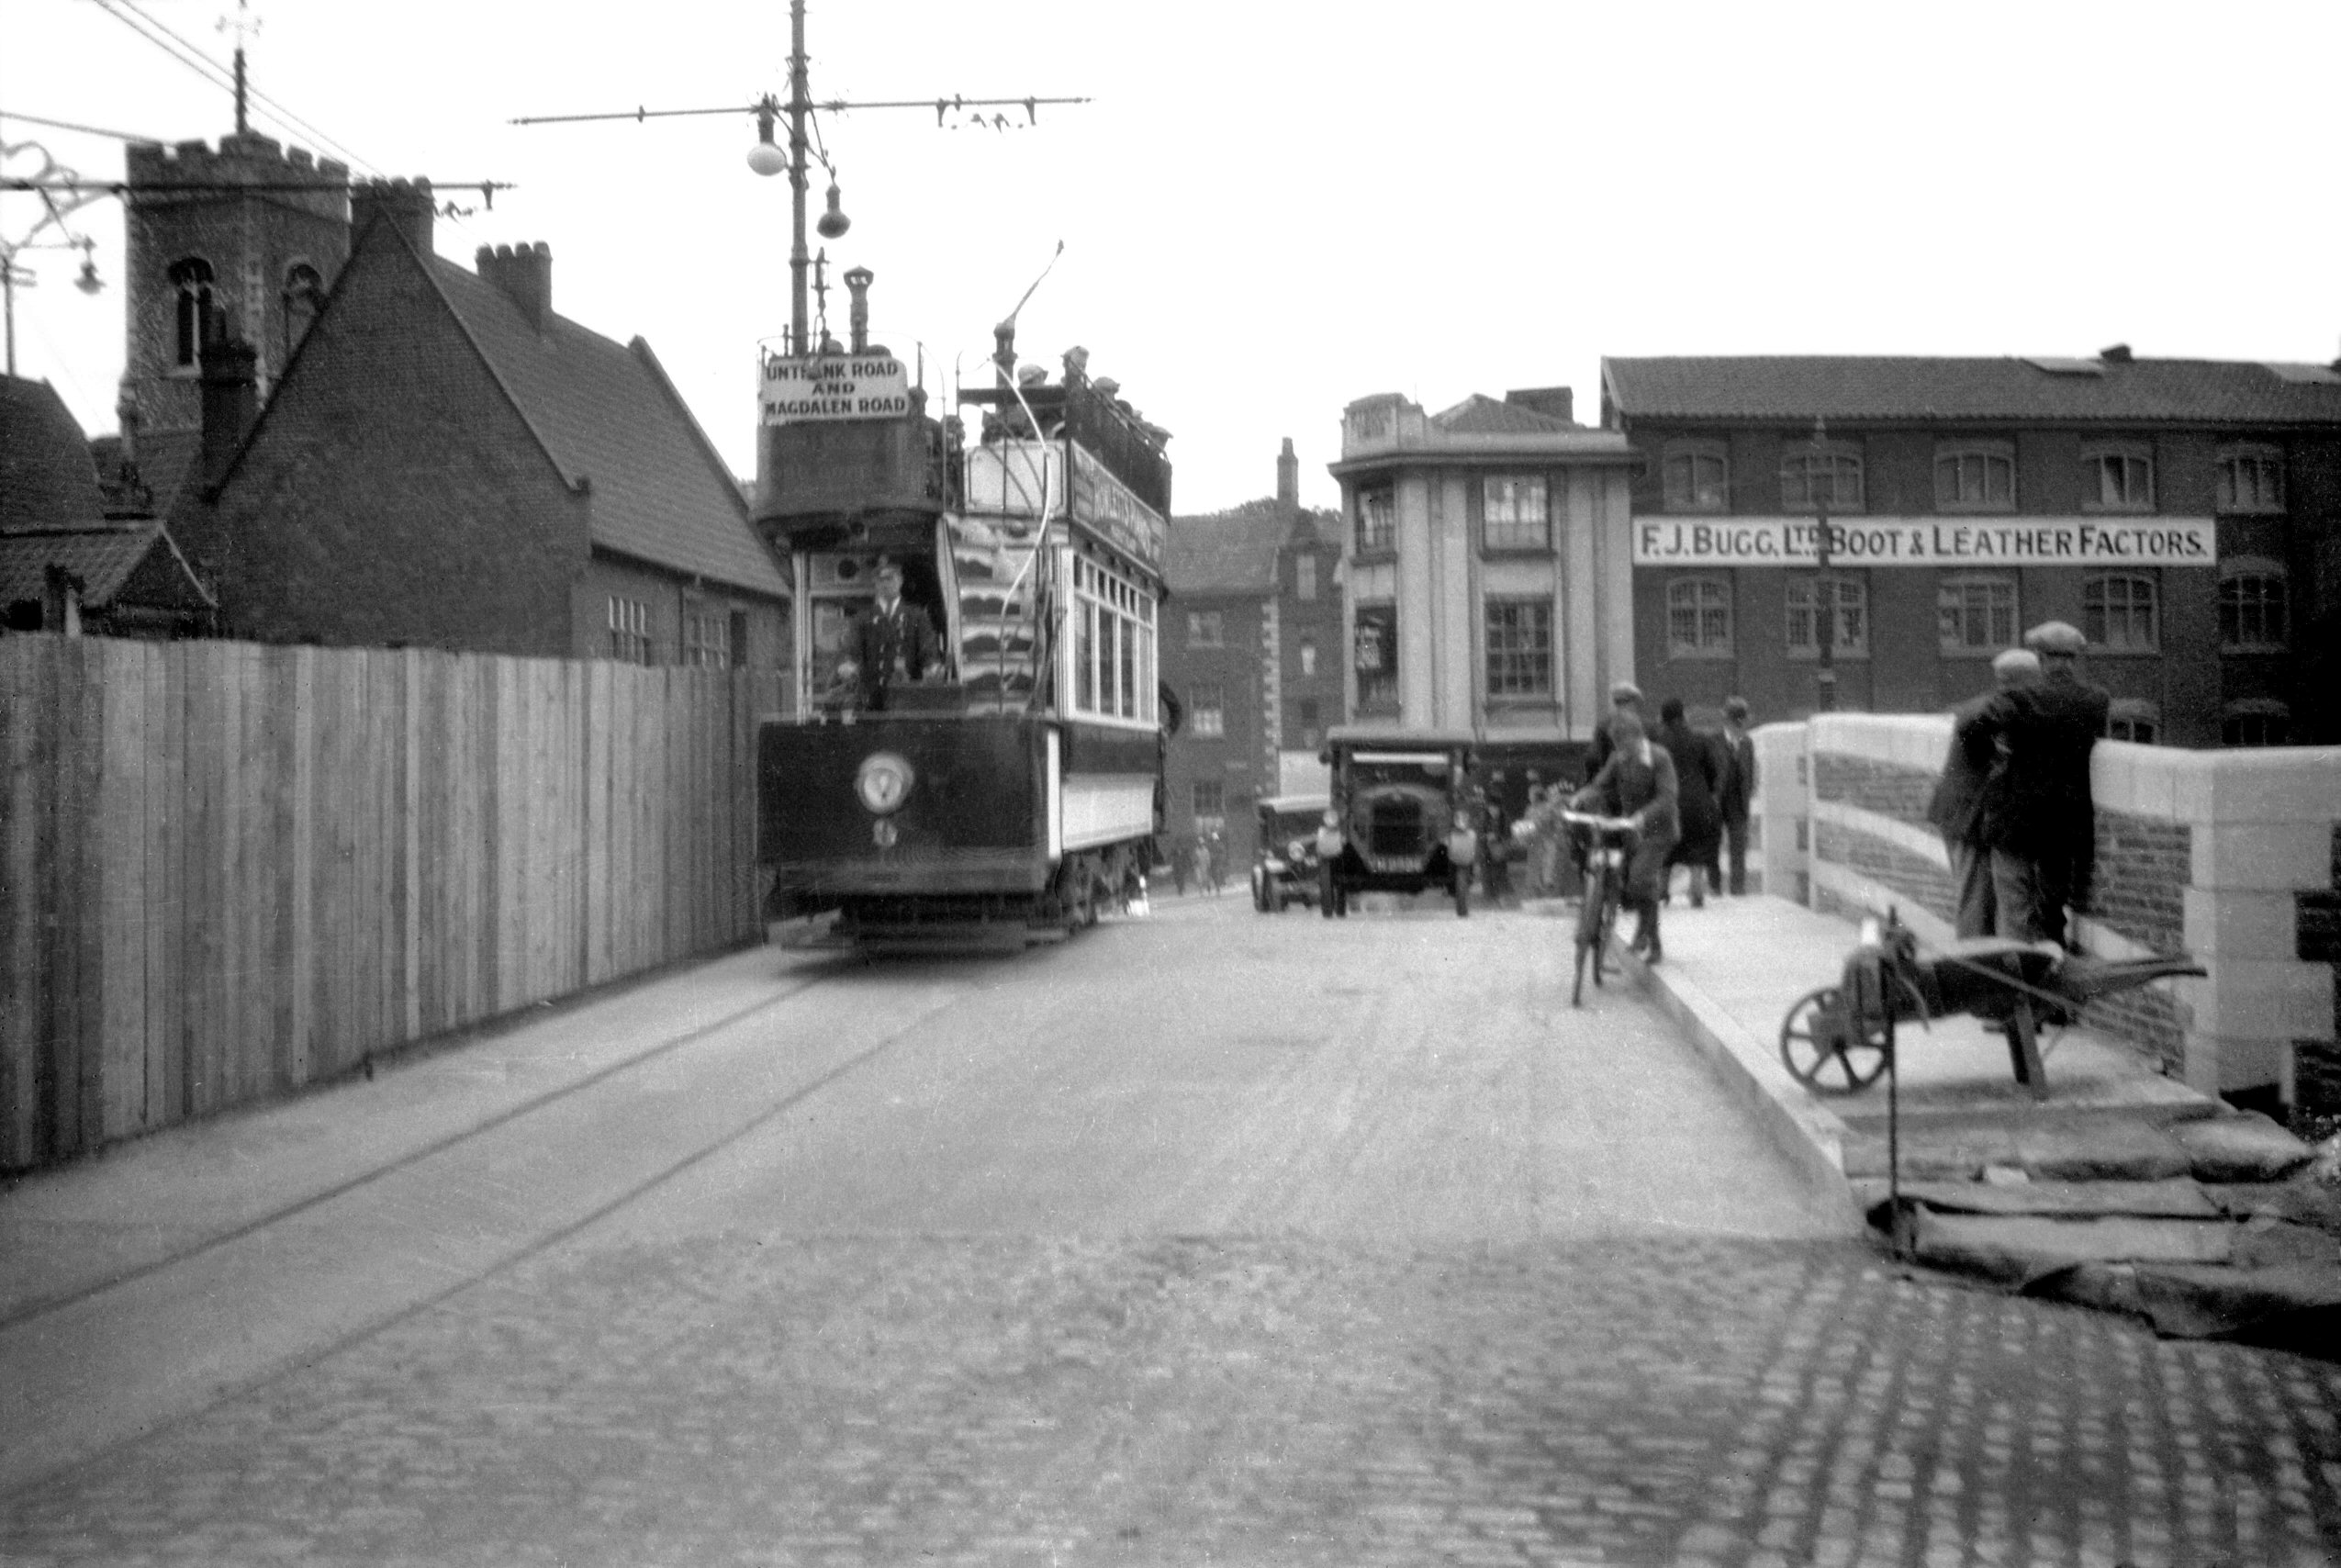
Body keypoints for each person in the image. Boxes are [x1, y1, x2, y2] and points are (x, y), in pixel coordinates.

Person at [1927, 648, 2041, 938]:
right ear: (2027, 681)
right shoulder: (1993, 709)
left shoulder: (1991, 705)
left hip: (1965, 817)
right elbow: (1972, 725)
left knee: (1979, 900)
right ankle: (1973, 969)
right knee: (1974, 901)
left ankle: (1981, 964)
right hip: (1966, 819)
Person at [2022, 620, 2111, 949]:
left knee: (2043, 898)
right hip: (2077, 811)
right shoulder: (2096, 699)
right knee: (2066, 892)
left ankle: (2051, 963)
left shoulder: (2027, 698)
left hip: (2037, 813)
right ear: (2073, 660)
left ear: (2042, 659)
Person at [1571, 711, 1680, 963]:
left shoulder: (1659, 758)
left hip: (1659, 830)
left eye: (1624, 744)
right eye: (1617, 745)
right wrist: (1581, 796)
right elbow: (1600, 784)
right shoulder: (1619, 758)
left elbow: (1668, 797)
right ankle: (1648, 935)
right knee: (1634, 886)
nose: (1620, 751)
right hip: (1633, 831)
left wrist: (1641, 816)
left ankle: (1651, 940)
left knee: (1640, 880)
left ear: (1638, 737)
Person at [850, 558, 943, 711]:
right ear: (875, 584)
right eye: (881, 580)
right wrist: (848, 663)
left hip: (907, 695)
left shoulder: (916, 615)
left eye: (890, 578)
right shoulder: (863, 618)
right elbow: (852, 648)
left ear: (900, 581)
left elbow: (928, 648)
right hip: (872, 697)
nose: (885, 584)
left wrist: (932, 665)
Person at [1654, 698, 1721, 909]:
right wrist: (1707, 792)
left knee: (1666, 847)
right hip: (1698, 802)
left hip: (1670, 802)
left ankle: (1662, 890)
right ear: (1682, 716)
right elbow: (1713, 772)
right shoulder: (1699, 740)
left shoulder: (1657, 743)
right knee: (1699, 847)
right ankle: (1697, 889)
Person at [1716, 697, 1757, 897]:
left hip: (1738, 802)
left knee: (1738, 846)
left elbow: (1749, 771)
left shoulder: (1748, 743)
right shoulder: (1714, 741)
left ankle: (1737, 888)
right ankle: (1715, 887)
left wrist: (1748, 793)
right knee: (1712, 846)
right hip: (1717, 800)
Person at [1584, 681, 1646, 781]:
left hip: (1607, 781)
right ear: (1631, 701)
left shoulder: (1604, 724)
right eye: (1637, 703)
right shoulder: (1640, 724)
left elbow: (1592, 757)